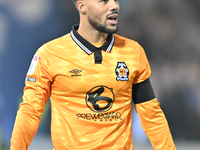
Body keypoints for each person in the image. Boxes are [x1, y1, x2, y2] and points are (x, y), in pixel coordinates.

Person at [10, 0, 176, 149]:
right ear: (82, 7)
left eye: (115, 0)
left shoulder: (133, 52)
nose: (114, 6)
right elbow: (30, 112)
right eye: (104, 1)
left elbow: (151, 114)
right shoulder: (49, 55)